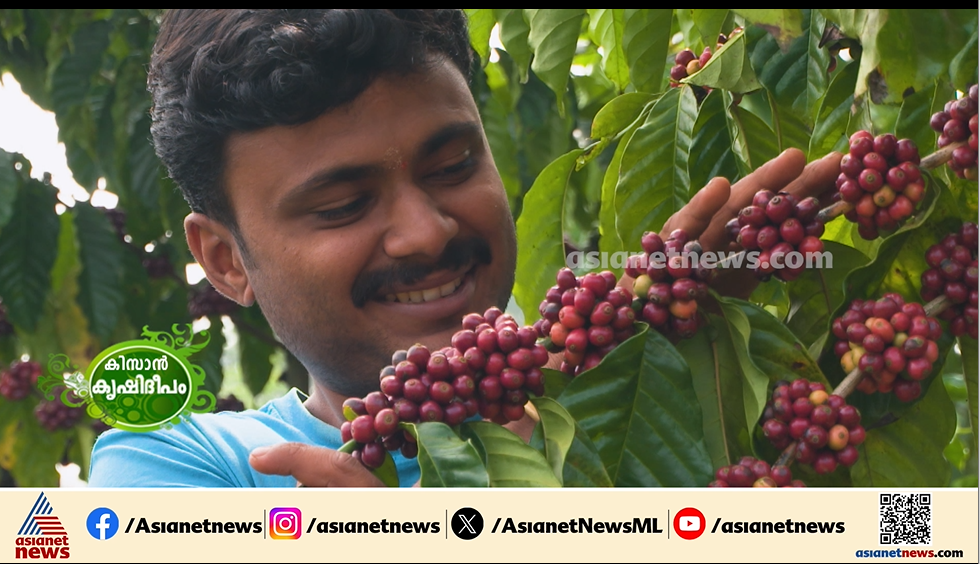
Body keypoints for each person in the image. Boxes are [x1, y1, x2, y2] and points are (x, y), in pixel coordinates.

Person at [88, 9, 840, 487]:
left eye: (453, 168)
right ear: (224, 259)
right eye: (343, 206)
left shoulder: (676, 371)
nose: (426, 231)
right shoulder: (183, 468)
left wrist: (684, 349)